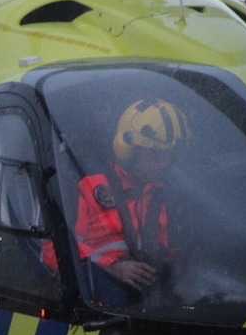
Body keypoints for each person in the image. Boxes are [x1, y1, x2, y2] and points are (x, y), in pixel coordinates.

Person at [73, 98, 189, 306]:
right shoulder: (88, 184)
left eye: (168, 155)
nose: (163, 163)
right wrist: (111, 268)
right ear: (127, 149)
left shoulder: (164, 193)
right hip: (95, 298)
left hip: (147, 297)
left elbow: (169, 248)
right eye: (154, 154)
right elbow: (53, 249)